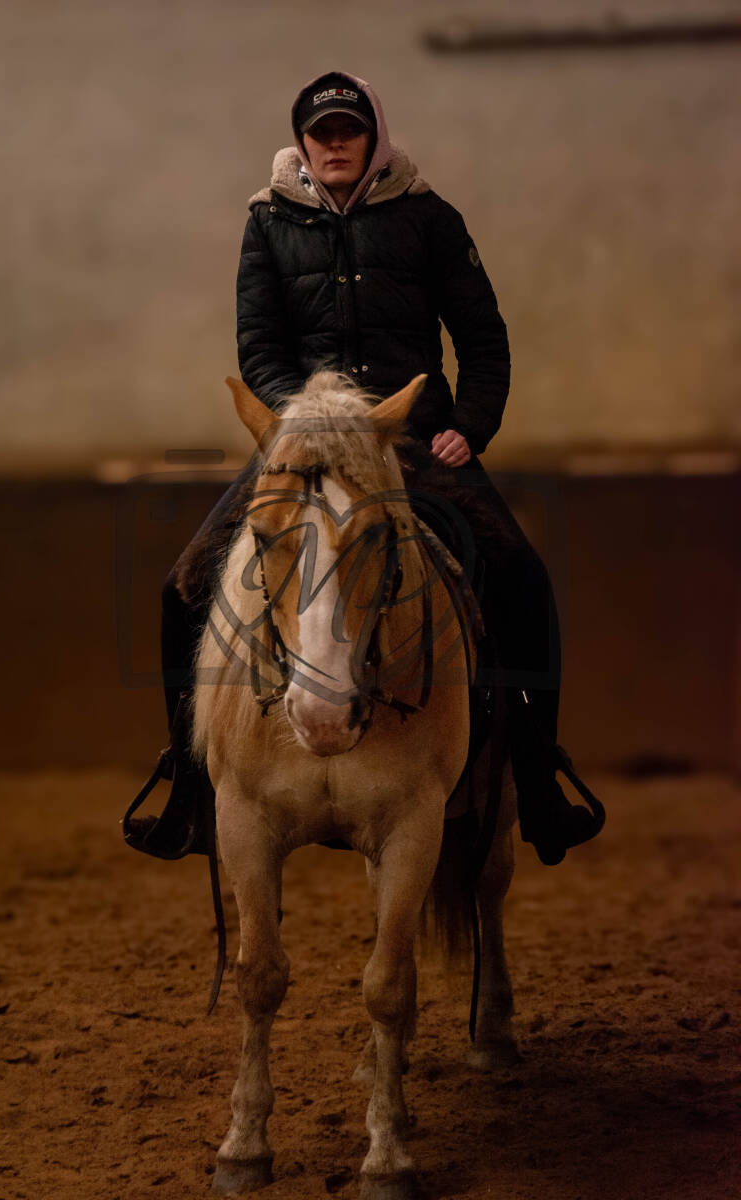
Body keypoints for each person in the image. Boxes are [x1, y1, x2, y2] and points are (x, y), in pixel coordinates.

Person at [124, 70, 604, 867]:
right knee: (185, 584)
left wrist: (469, 427)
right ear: (303, 143)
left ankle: (537, 774)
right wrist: (305, 422)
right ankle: (188, 780)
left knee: (520, 575)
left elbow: (484, 342)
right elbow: (260, 348)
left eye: (349, 130)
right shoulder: (267, 221)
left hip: (411, 437)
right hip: (304, 438)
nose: (336, 143)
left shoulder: (430, 218)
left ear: (374, 137)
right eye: (322, 133)